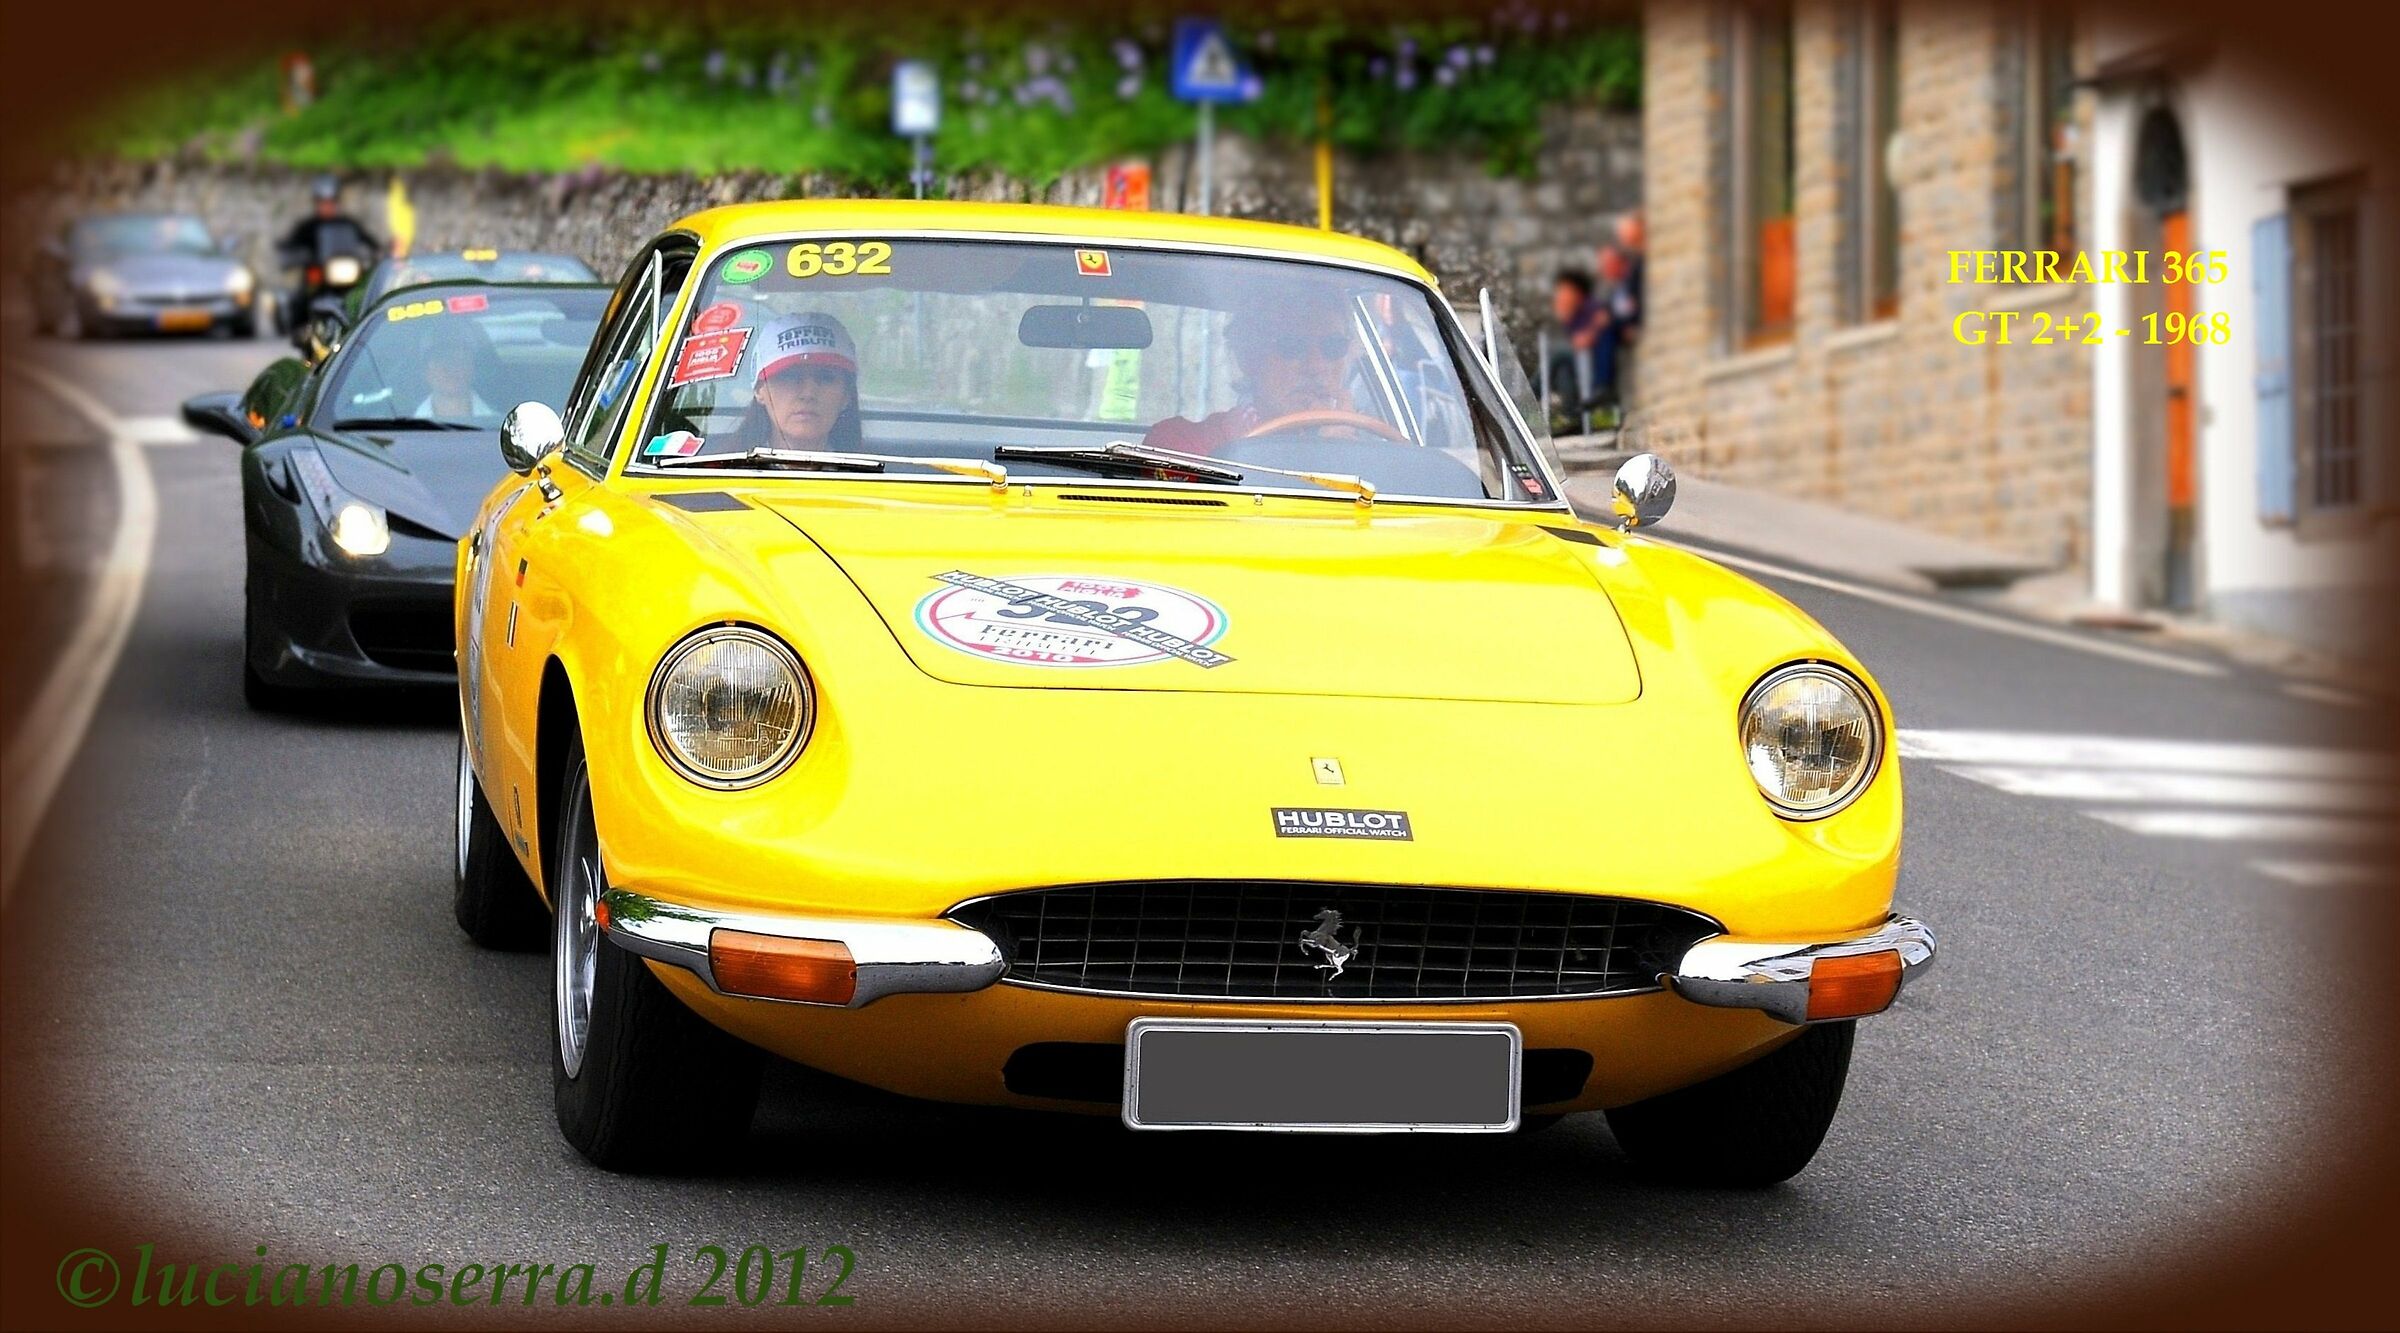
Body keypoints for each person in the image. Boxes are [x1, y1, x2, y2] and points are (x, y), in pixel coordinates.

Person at [1142, 305, 1369, 455]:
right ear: (1249, 357)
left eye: (1334, 347)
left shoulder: (1374, 449)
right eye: (1292, 347)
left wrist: (1349, 454)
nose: (1316, 366)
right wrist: (1312, 455)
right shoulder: (1182, 445)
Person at [727, 312, 863, 452]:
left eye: (825, 378)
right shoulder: (719, 470)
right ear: (759, 389)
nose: (808, 393)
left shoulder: (876, 473)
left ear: (847, 394)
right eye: (790, 377)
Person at [411, 332, 497, 422]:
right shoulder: (404, 431)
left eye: (459, 359)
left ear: (473, 367)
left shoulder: (501, 427)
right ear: (425, 371)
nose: (450, 368)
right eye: (440, 359)